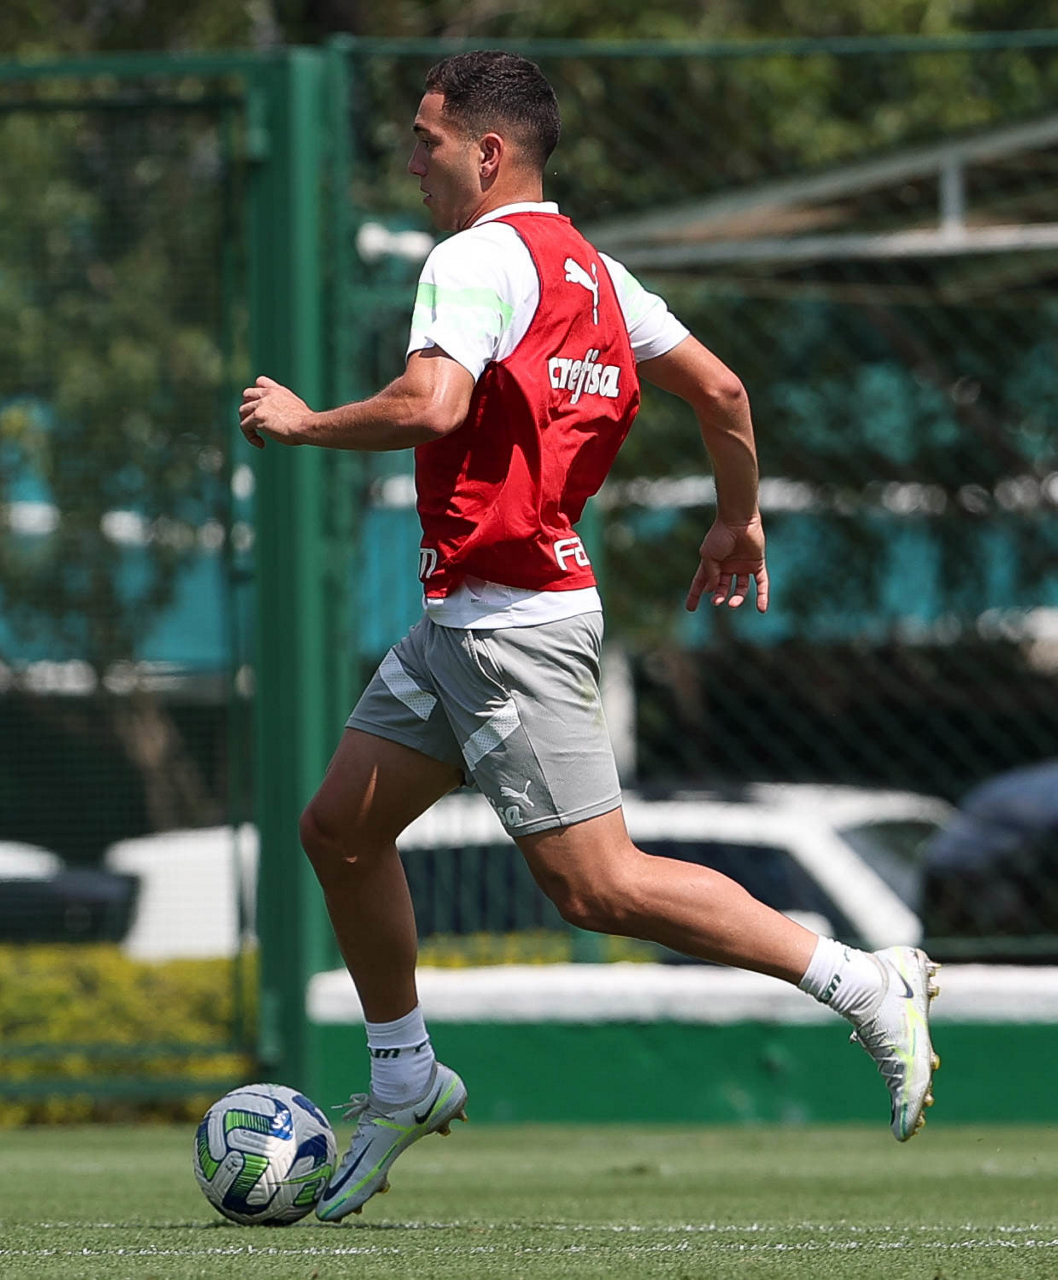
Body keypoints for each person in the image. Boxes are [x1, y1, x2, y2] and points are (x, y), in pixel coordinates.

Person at [238, 50, 940, 1223]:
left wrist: (306, 423)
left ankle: (864, 982)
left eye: (424, 140)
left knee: (597, 885)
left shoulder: (468, 259)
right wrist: (735, 518)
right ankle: (404, 1078)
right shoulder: (596, 274)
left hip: (510, 627)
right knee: (340, 831)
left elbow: (433, 404)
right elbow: (722, 394)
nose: (410, 163)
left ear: (486, 152)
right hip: (463, 618)